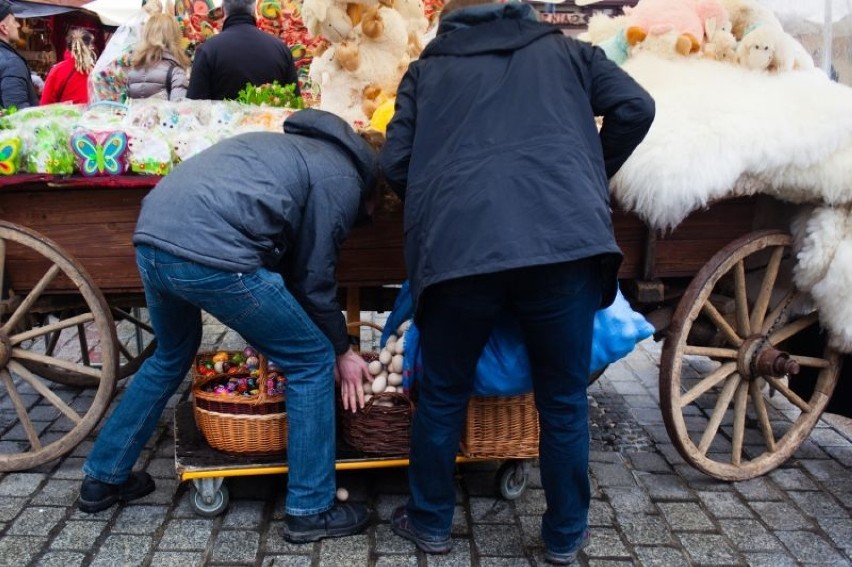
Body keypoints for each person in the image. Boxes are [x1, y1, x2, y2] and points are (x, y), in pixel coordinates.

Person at [379, 0, 655, 564]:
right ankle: (563, 536)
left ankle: (431, 523)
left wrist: (445, 210)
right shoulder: (568, 52)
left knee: (443, 393)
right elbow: (637, 106)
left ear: (449, 22)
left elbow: (395, 162)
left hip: (461, 255)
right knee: (562, 402)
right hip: (564, 248)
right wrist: (586, 173)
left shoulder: (427, 71)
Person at [78, 108, 378, 544]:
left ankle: (103, 477)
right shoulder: (343, 178)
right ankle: (312, 507)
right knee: (312, 359)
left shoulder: (290, 147)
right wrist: (342, 350)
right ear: (374, 180)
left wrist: (272, 330)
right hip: (210, 253)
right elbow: (314, 279)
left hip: (153, 239)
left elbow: (288, 264)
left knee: (171, 352)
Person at [186, 0, 299, 100]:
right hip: (269, 122)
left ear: (222, 10)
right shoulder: (281, 50)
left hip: (223, 123)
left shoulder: (207, 50)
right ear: (255, 9)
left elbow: (194, 108)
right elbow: (295, 106)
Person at [126, 13, 190, 101]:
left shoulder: (133, 71)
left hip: (138, 115)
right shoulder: (175, 72)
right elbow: (179, 111)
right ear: (174, 37)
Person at [40, 27, 97, 105]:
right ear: (90, 47)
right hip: (90, 116)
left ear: (67, 48)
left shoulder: (58, 70)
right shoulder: (94, 72)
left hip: (63, 116)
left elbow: (45, 103)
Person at [0, 0, 38, 109]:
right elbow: (17, 114)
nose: (18, 25)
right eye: (14, 21)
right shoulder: (11, 62)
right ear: (4, 28)